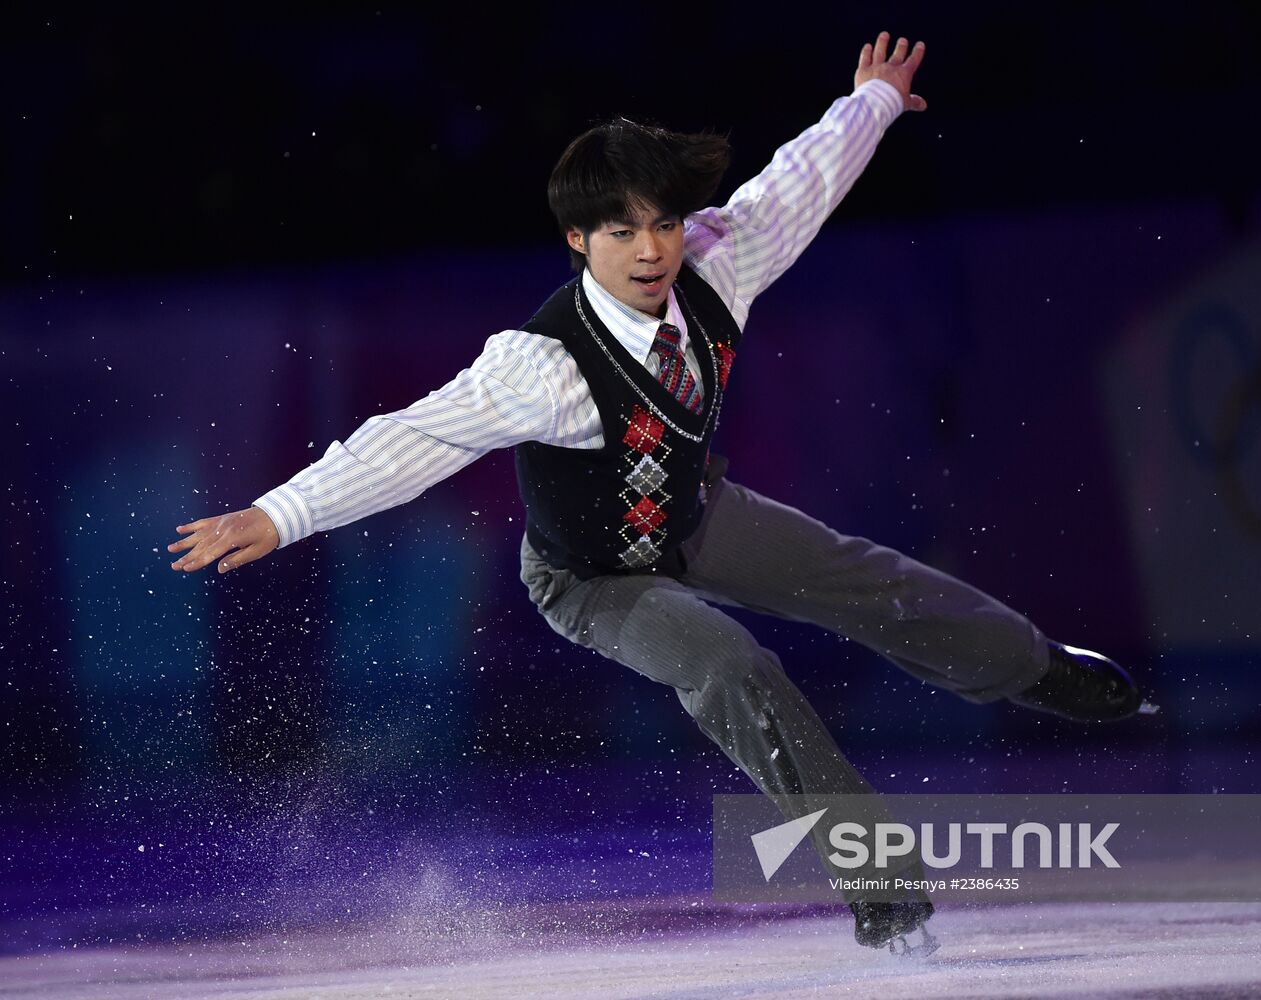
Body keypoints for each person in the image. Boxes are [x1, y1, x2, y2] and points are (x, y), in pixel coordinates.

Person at [167, 31, 1144, 952]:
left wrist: (875, 102)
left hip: (692, 515)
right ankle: (878, 882)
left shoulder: (722, 261)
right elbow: (411, 439)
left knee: (876, 583)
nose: (650, 250)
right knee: (730, 663)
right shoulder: (538, 366)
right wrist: (279, 511)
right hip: (591, 577)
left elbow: (801, 178)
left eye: (664, 223)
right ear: (577, 241)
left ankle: (1035, 668)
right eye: (622, 231)